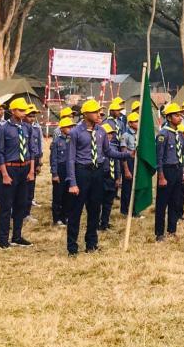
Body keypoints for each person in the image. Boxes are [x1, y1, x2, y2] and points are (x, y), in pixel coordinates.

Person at [66, 99, 129, 255]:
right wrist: (73, 182)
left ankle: (91, 244)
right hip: (82, 172)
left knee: (95, 209)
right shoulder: (75, 132)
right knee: (76, 211)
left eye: (99, 112)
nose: (99, 114)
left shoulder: (101, 131)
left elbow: (108, 151)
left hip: (98, 172)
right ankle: (72, 247)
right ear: (86, 114)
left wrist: (126, 154)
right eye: (95, 112)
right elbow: (70, 159)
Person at [0, 98, 35, 249]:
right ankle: (2, 239)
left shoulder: (27, 128)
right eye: (21, 110)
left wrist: (31, 170)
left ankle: (17, 237)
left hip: (24, 168)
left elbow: (31, 150)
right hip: (10, 168)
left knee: (21, 204)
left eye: (25, 110)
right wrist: (5, 174)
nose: (24, 112)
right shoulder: (3, 129)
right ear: (12, 111)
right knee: (6, 206)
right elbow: (0, 153)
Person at [155, 103, 184, 242]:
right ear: (168, 118)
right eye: (176, 115)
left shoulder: (179, 133)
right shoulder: (163, 134)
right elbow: (159, 157)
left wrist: (183, 172)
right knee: (162, 203)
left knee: (175, 201)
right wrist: (161, 176)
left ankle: (172, 230)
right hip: (167, 170)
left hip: (178, 169)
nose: (179, 117)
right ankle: (159, 233)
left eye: (180, 115)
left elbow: (182, 154)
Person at [49, 116, 73, 226]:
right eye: (68, 127)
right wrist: (54, 174)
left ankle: (65, 216)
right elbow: (53, 158)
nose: (70, 129)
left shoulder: (72, 140)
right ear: (62, 128)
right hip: (60, 169)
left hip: (69, 169)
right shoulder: (56, 142)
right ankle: (57, 218)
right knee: (58, 195)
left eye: (71, 127)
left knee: (67, 195)